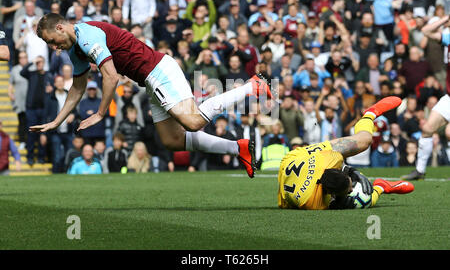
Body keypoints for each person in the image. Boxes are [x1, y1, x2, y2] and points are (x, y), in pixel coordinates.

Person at [32, 14, 273, 178]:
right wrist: (57, 121)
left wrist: (99, 113)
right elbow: (77, 87)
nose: (55, 47)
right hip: (149, 79)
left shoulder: (87, 35)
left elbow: (111, 76)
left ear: (61, 27)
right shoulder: (76, 50)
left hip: (159, 71)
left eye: (52, 41)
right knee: (172, 140)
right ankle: (239, 148)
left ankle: (253, 86)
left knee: (193, 122)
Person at [278, 96, 414, 210]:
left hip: (301, 156)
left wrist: (352, 171)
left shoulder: (331, 160)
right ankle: (381, 187)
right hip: (295, 167)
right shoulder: (312, 202)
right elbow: (334, 201)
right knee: (358, 202)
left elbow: (340, 164)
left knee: (364, 141)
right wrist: (341, 203)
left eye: (349, 186)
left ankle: (370, 114)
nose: (351, 190)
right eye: (349, 189)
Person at [402, 15, 450, 180]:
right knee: (428, 129)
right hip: (449, 98)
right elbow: (426, 30)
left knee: (449, 133)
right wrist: (446, 18)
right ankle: (420, 171)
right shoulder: (448, 38)